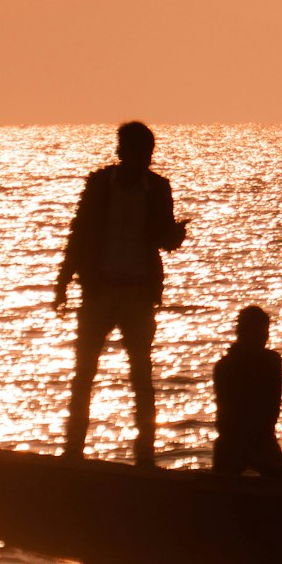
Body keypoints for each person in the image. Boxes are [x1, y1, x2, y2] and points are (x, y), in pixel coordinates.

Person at [53, 121, 186, 465]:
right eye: (139, 152)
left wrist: (175, 236)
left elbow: (162, 239)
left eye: (147, 154)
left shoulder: (158, 189)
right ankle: (73, 450)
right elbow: (79, 232)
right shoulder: (99, 185)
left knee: (140, 373)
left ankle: (145, 454)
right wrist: (63, 280)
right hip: (98, 291)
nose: (144, 159)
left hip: (138, 294)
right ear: (123, 151)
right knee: (85, 372)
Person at [213, 306, 282, 474]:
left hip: (262, 440)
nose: (263, 336)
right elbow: (227, 417)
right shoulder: (226, 366)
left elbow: (271, 411)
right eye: (258, 331)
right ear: (243, 332)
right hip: (234, 443)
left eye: (265, 331)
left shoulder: (272, 361)